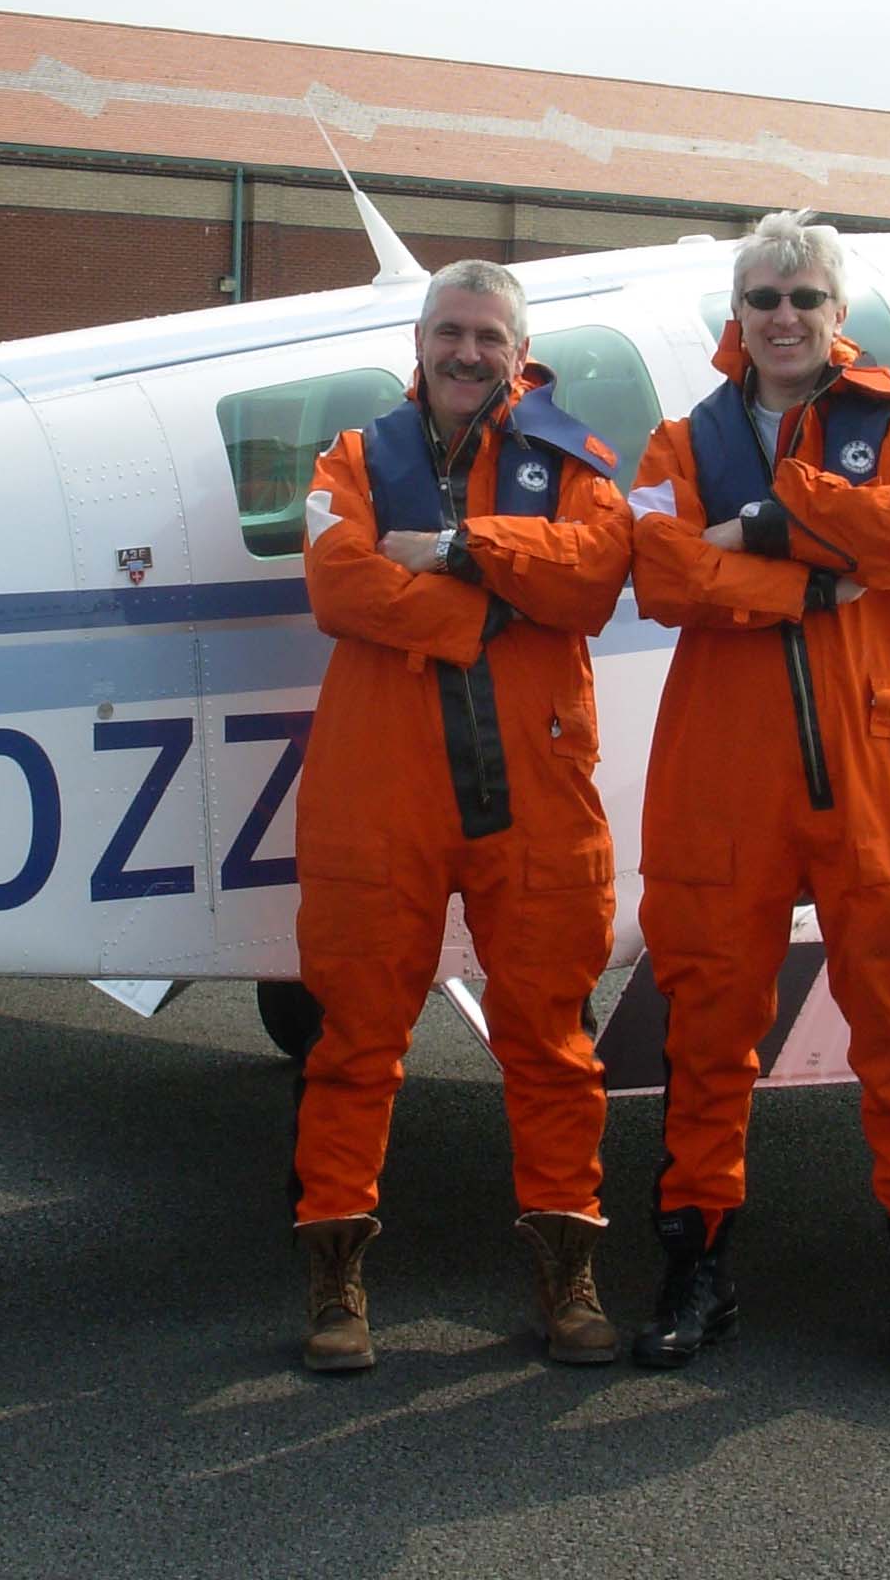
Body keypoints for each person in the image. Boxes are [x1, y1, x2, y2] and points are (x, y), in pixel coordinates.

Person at [625, 209, 890, 1384]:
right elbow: (666, 576)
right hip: (725, 781)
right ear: (738, 317)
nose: (782, 316)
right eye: (762, 299)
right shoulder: (682, 439)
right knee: (707, 1030)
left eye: (803, 298)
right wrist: (815, 586)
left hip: (877, 777)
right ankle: (694, 1268)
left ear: (838, 316)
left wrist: (768, 522)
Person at [289, 257, 635, 1373]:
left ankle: (566, 1275)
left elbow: (589, 579)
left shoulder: (570, 457)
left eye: (488, 335)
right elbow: (336, 584)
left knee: (551, 1045)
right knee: (354, 1045)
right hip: (376, 802)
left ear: (516, 349)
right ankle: (336, 1284)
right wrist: (485, 617)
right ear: (420, 342)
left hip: (531, 800)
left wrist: (459, 551)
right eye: (450, 331)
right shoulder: (351, 458)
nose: (466, 352)